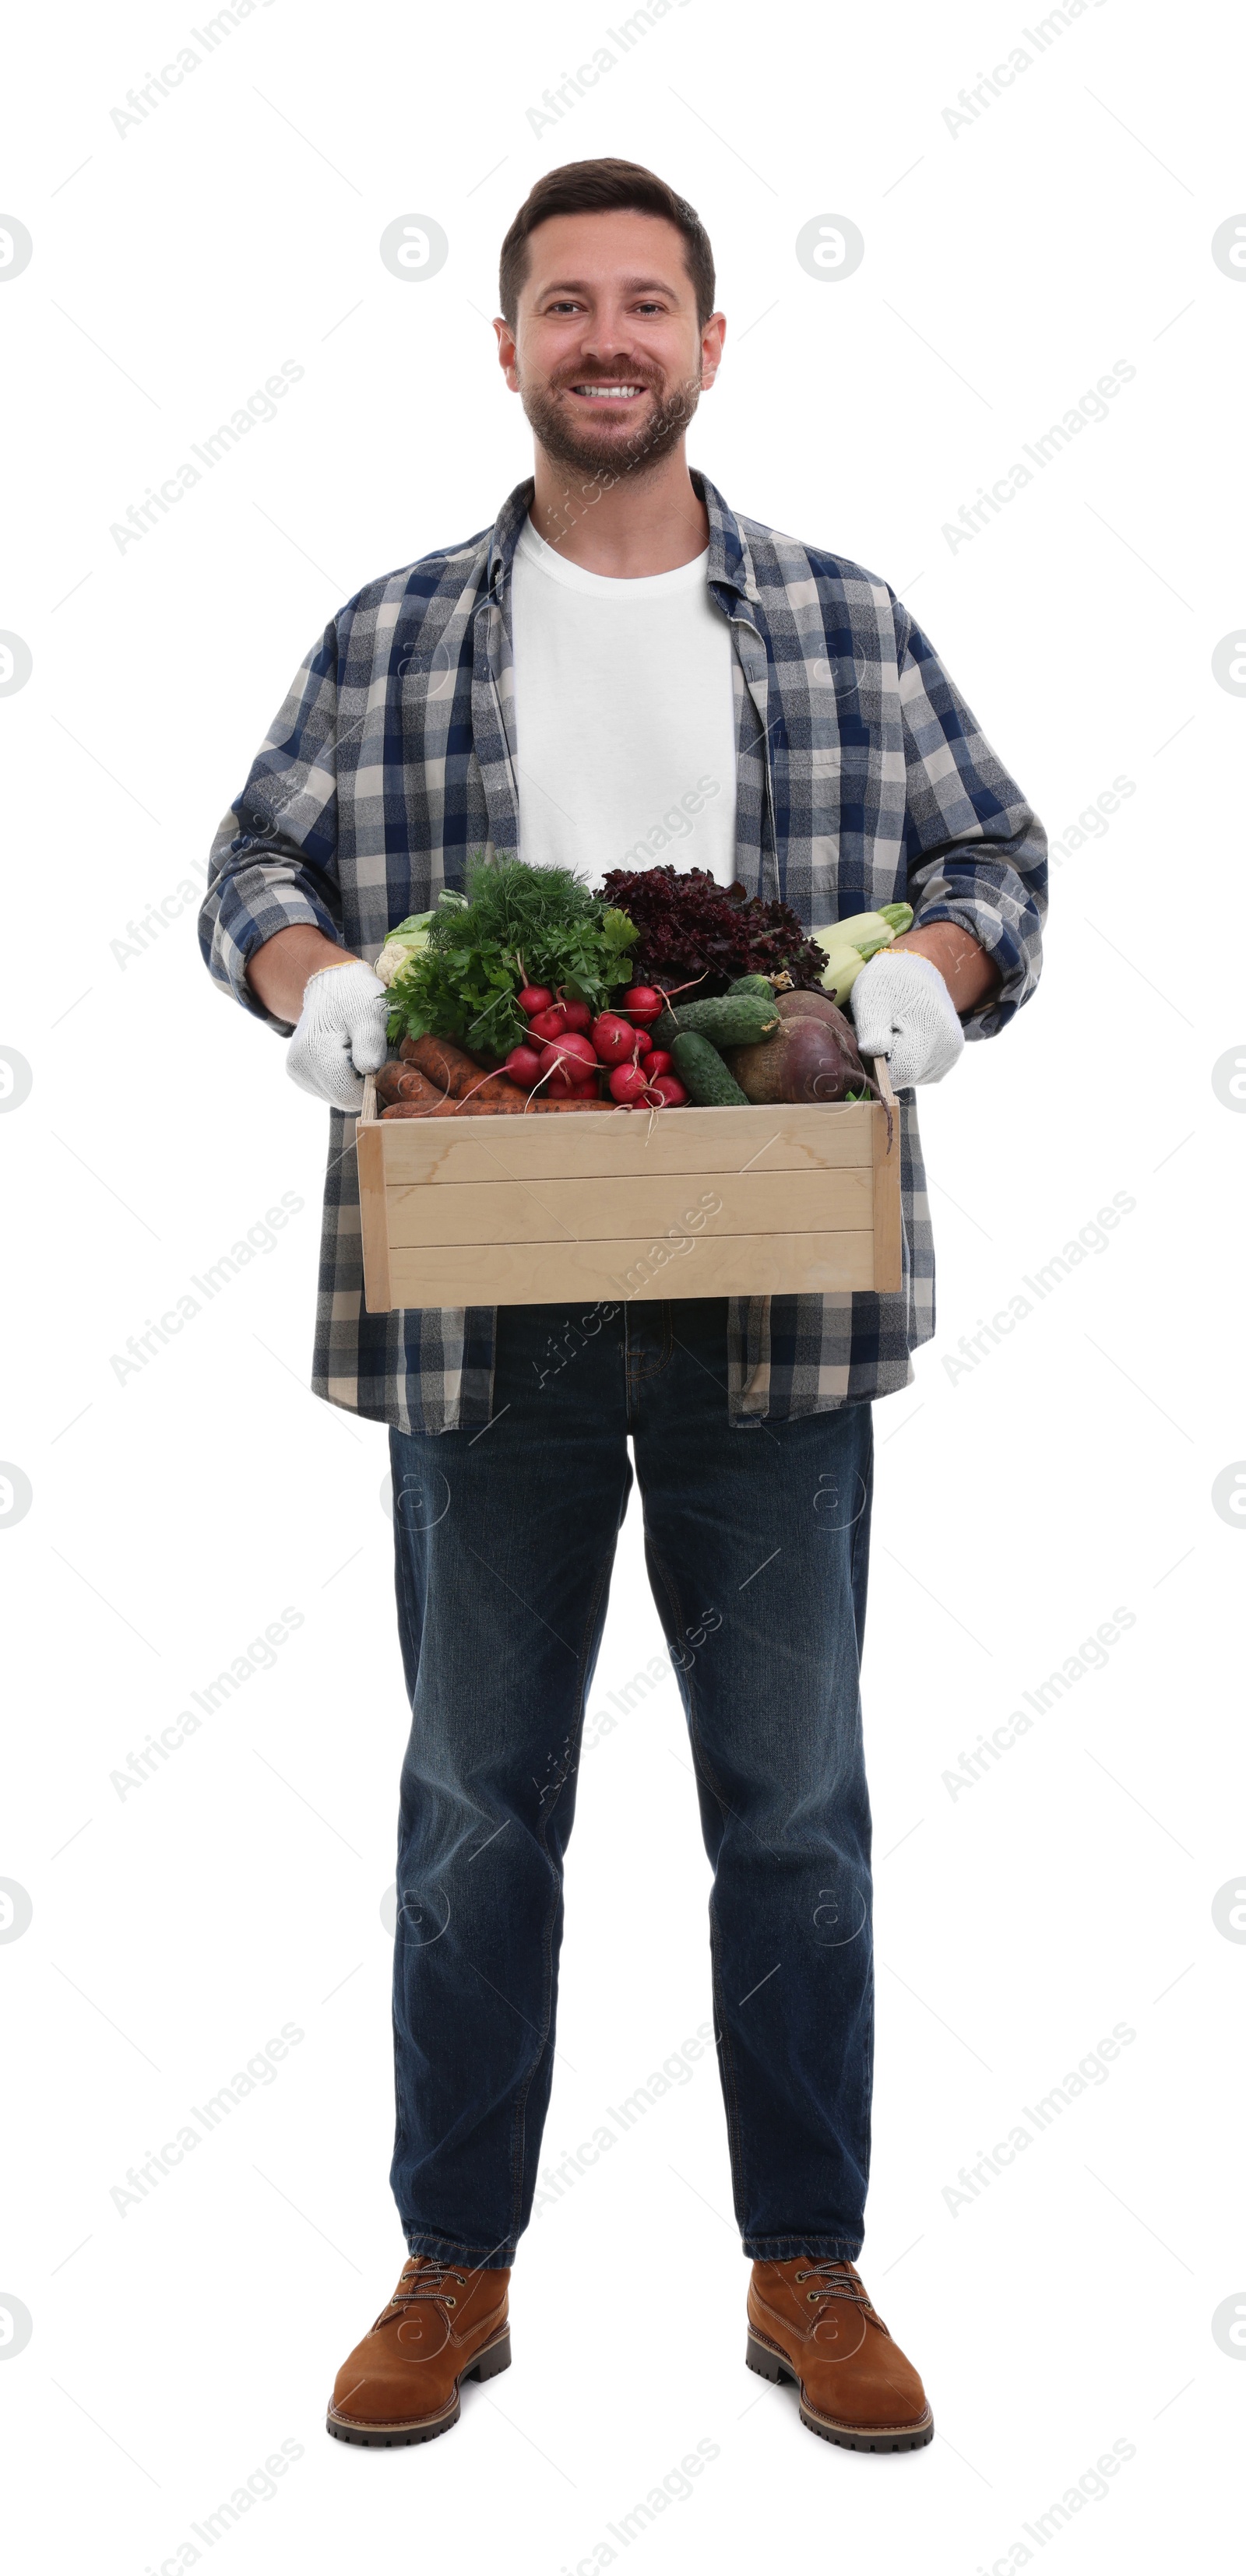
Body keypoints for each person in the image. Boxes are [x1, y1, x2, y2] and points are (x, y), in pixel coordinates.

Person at [199, 156, 1045, 2456]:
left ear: (706, 345)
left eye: (645, 303)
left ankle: (811, 2268)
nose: (605, 337)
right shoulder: (392, 635)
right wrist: (323, 983)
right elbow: (251, 867)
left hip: (773, 1295)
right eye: (562, 303)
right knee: (480, 1804)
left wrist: (935, 987)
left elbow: (996, 858)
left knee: (792, 1810)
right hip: (494, 1309)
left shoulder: (845, 620)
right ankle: (450, 2267)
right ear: (504, 349)